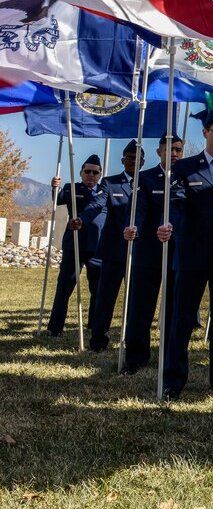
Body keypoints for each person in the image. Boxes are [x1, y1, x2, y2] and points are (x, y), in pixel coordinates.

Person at [158, 108, 213, 399]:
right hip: (192, 254)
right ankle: (173, 380)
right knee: (182, 319)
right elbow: (176, 202)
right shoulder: (184, 168)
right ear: (204, 133)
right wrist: (169, 223)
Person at [121, 133, 183, 375]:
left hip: (178, 253)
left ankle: (169, 355)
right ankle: (135, 358)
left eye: (178, 150)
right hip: (148, 251)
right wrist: (132, 226)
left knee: (173, 309)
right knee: (140, 308)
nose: (175, 154)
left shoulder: (186, 176)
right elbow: (137, 208)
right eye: (170, 150)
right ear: (159, 152)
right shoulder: (145, 178)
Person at [88, 140, 144, 351]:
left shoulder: (147, 182)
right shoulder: (110, 183)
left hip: (138, 253)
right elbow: (96, 205)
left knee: (135, 301)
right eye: (129, 158)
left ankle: (131, 339)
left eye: (136, 159)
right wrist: (83, 219)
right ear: (122, 160)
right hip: (113, 252)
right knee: (105, 298)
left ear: (143, 161)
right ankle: (98, 340)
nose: (132, 162)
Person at [47, 155, 106, 336]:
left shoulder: (105, 191)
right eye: (87, 171)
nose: (90, 175)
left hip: (97, 247)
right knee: (65, 286)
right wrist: (55, 187)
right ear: (81, 172)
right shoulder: (72, 189)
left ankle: (93, 327)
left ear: (100, 174)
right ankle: (55, 329)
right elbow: (58, 200)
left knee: (98, 289)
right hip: (75, 244)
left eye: (95, 172)